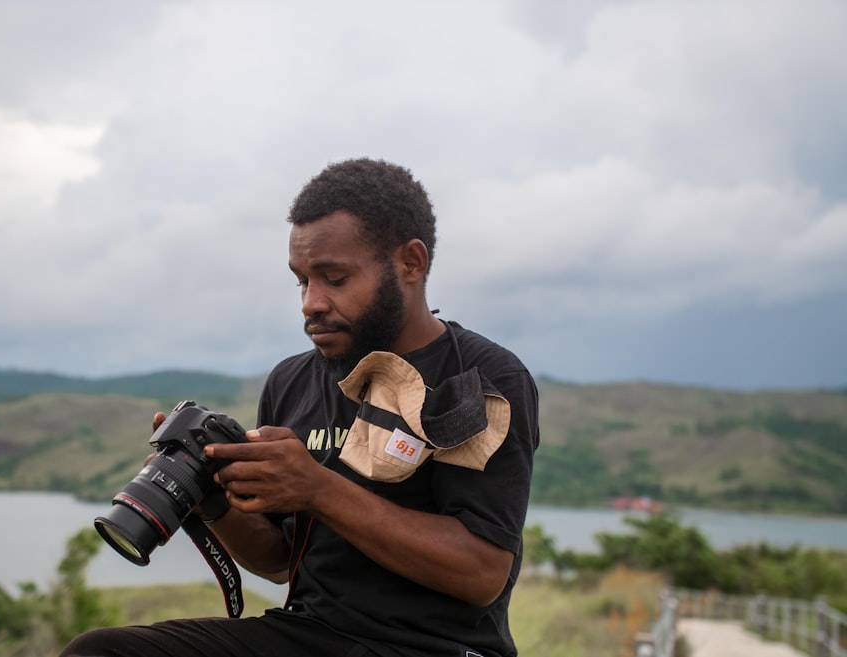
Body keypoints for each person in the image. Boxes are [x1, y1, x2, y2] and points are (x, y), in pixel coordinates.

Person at [60, 158, 540, 657]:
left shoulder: (481, 380)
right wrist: (212, 500)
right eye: (302, 281)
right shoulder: (292, 380)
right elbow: (281, 560)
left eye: (334, 278)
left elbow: (482, 572)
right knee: (100, 652)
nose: (311, 302)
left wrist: (317, 488)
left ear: (411, 263)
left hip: (434, 647)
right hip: (311, 633)